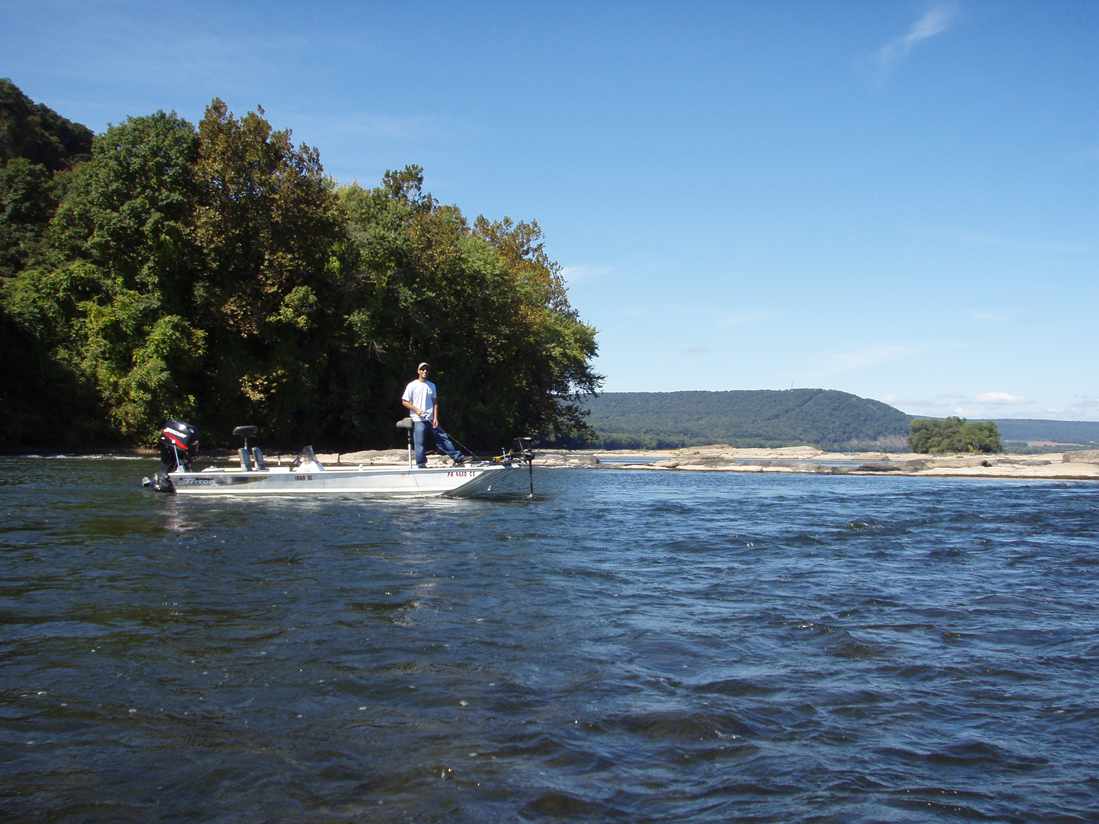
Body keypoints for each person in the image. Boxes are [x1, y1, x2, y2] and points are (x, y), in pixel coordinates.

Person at [401, 362, 466, 468]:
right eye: (422, 369)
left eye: (426, 369)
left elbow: (435, 403)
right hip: (418, 419)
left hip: (431, 419)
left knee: (443, 438)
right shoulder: (412, 385)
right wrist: (416, 409)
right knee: (420, 442)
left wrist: (435, 418)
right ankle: (421, 463)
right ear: (418, 371)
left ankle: (458, 458)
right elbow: (404, 401)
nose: (425, 371)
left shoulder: (432, 385)